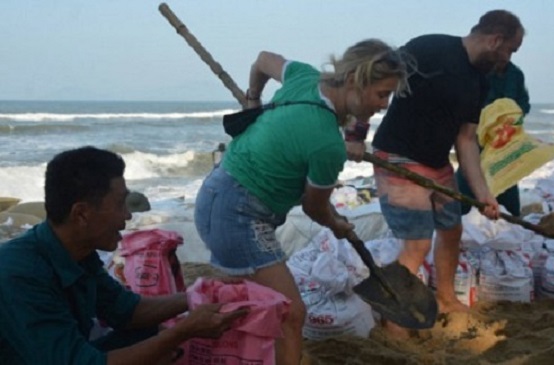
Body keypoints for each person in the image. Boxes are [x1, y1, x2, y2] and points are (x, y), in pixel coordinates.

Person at [194, 39, 410, 364]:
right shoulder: (326, 144)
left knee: (250, 302)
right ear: (354, 81)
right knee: (291, 312)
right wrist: (337, 224)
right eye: (382, 94)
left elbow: (263, 59)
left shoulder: (304, 77)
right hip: (237, 216)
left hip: (217, 191)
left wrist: (253, 99)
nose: (384, 105)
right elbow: (314, 208)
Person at [346, 10, 524, 335]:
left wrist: (484, 195)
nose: (508, 60)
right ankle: (394, 319)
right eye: (510, 50)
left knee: (452, 231)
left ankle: (445, 298)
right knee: (416, 246)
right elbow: (372, 78)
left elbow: (466, 140)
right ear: (496, 40)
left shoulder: (480, 80)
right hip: (398, 158)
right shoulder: (428, 49)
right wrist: (356, 133)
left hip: (438, 164)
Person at [0, 146, 248, 365]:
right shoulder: (19, 273)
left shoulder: (78, 252)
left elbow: (128, 312)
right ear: (81, 214)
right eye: (120, 205)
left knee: (150, 336)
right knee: (162, 344)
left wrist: (201, 293)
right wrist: (182, 331)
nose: (128, 216)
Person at [456, 60, 531, 216]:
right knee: (464, 194)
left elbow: (523, 104)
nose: (507, 56)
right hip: (477, 141)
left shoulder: (515, 74)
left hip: (504, 146)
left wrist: (511, 120)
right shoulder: (476, 72)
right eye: (507, 49)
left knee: (508, 199)